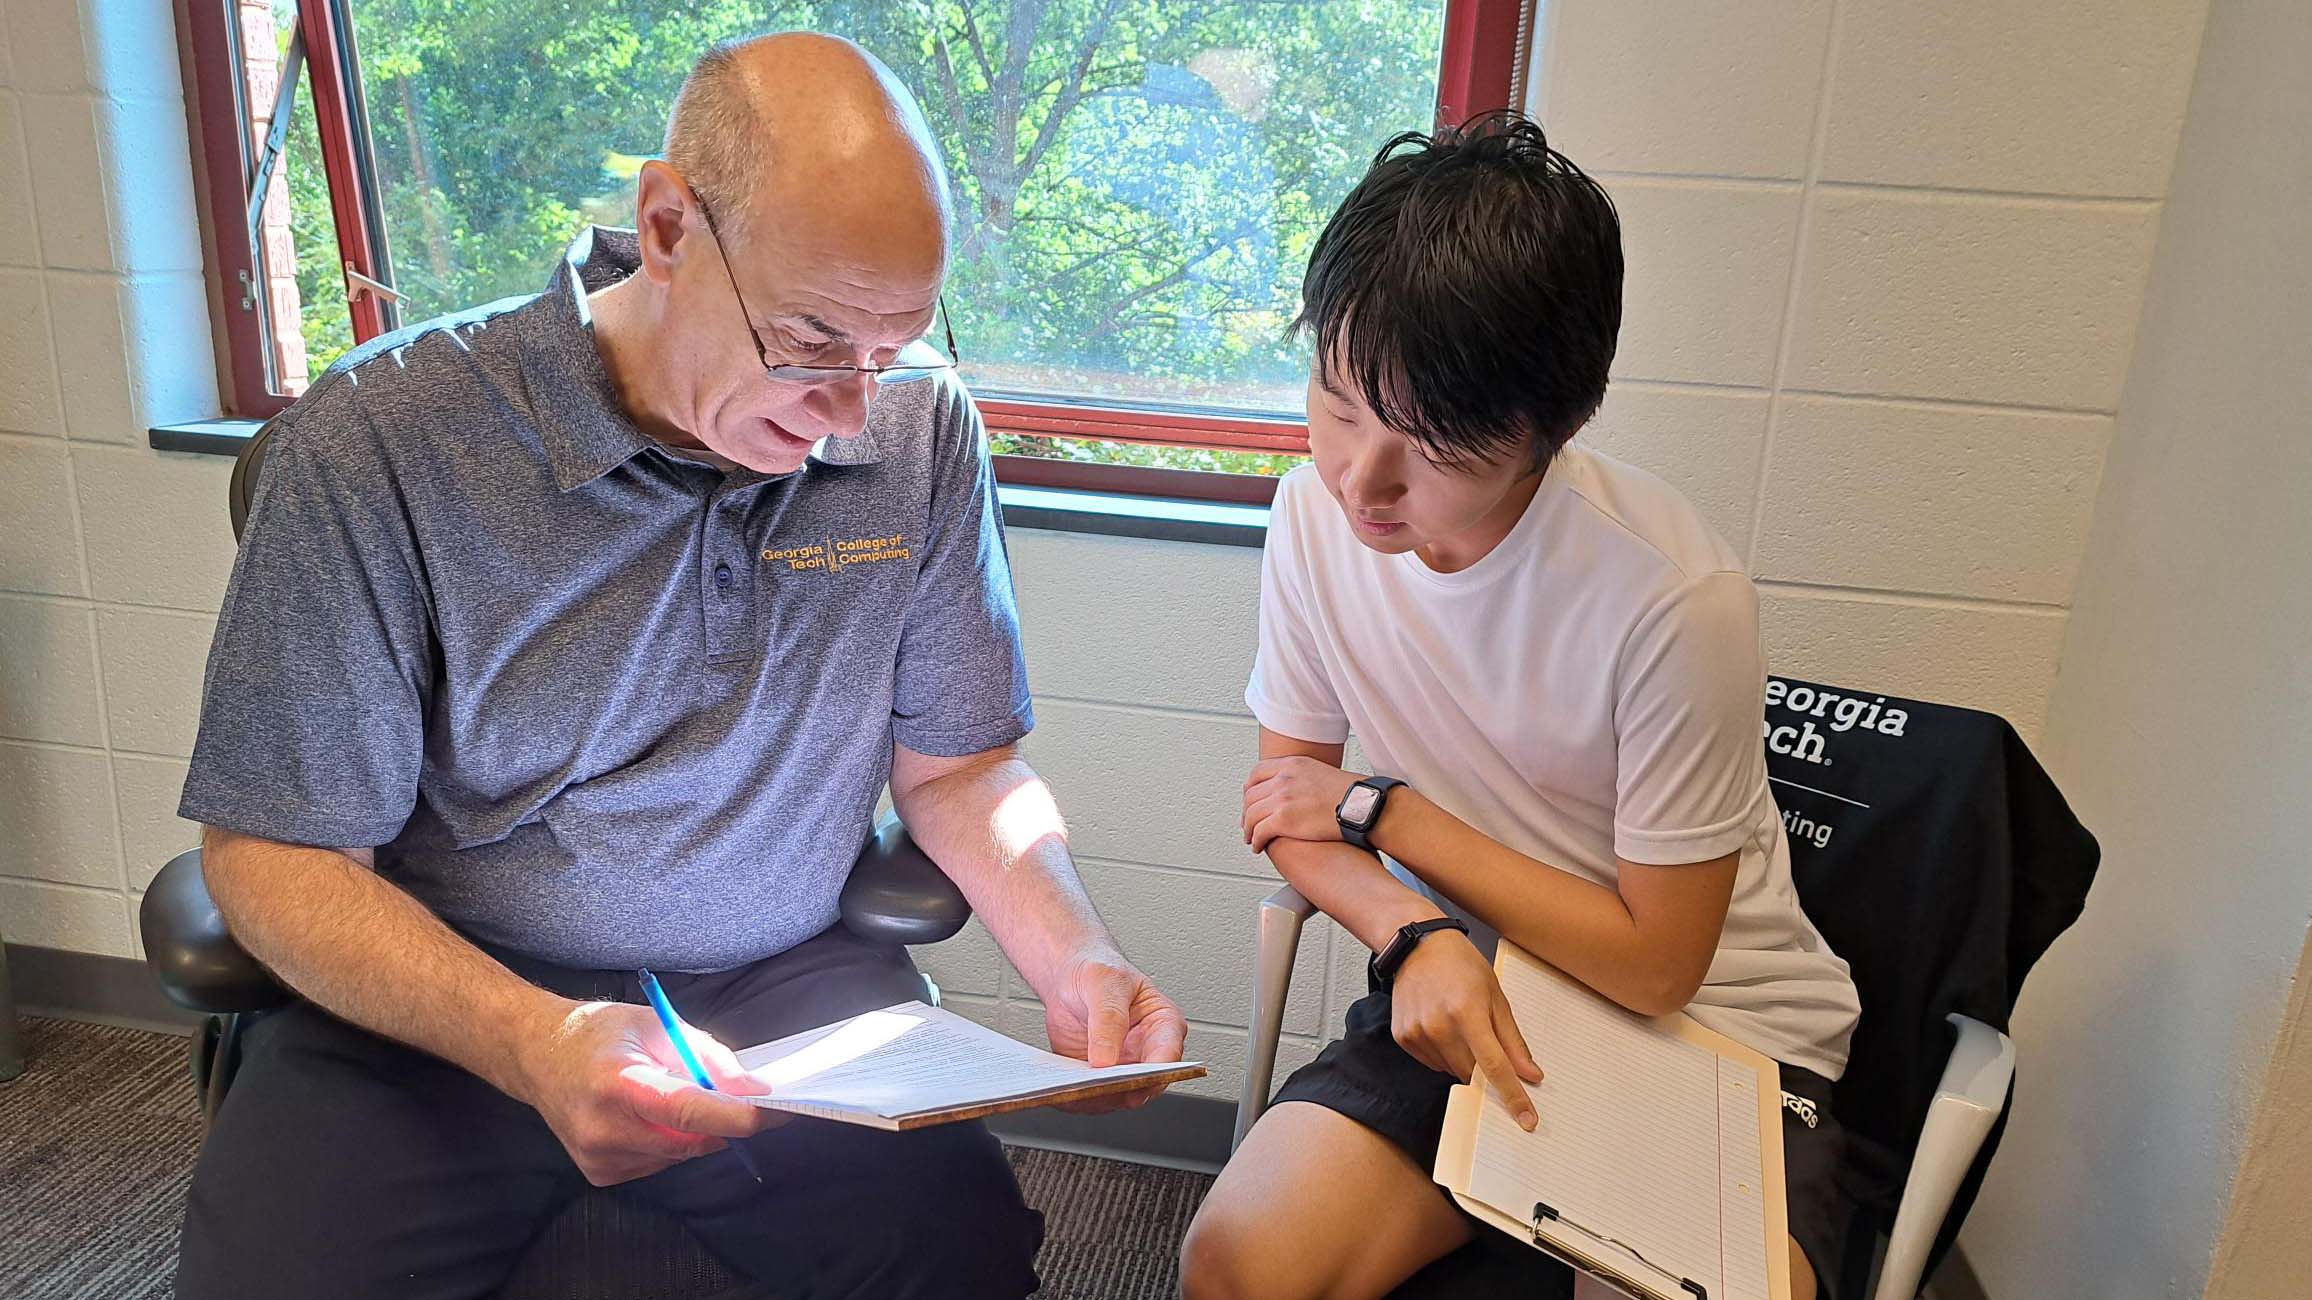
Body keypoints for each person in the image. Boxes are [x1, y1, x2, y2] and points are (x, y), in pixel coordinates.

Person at [173, 32, 1186, 1300]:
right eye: (813, 341)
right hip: (445, 1000)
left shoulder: (918, 427)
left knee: (961, 1265)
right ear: (666, 226)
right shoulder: (379, 445)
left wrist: (1074, 953)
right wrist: (534, 1041)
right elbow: (271, 851)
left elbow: (964, 769)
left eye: (893, 344)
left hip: (787, 1003)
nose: (851, 413)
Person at [1180, 114, 1862, 1300]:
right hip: (1469, 984)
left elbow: (1656, 965)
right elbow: (1288, 806)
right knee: (1237, 1263)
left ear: (1556, 427)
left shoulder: (1669, 598)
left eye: (1430, 447)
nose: (1360, 480)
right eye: (1338, 405)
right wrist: (1413, 933)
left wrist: (1385, 816)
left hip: (1710, 1037)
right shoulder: (1309, 520)